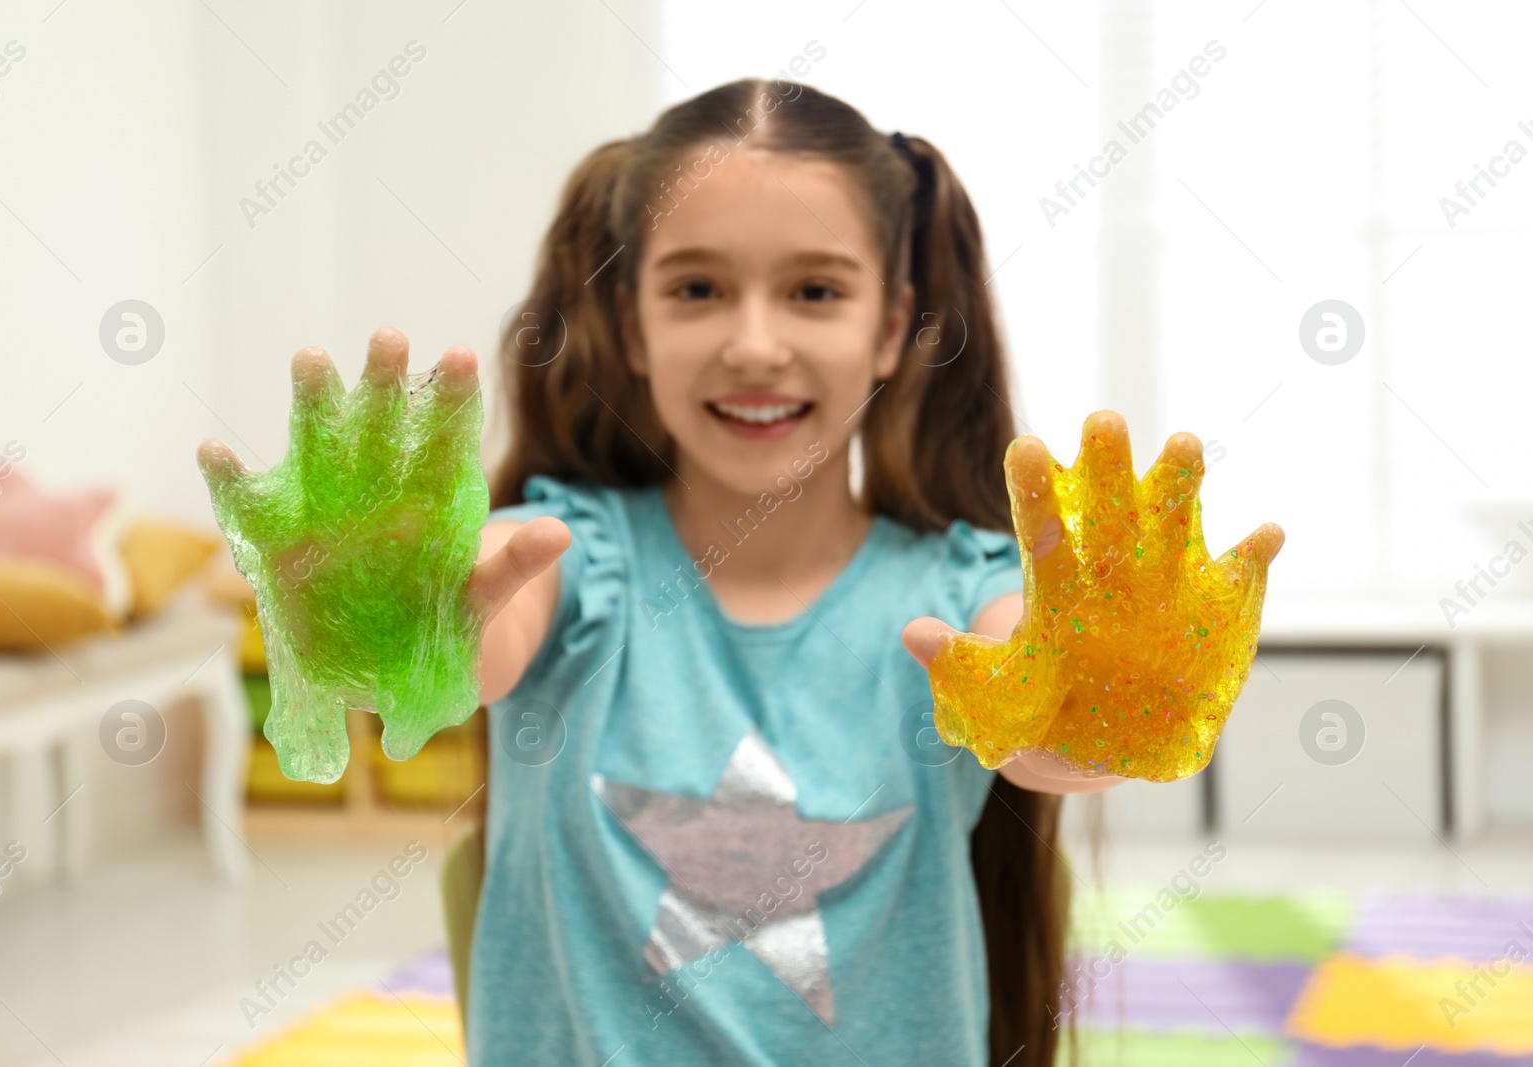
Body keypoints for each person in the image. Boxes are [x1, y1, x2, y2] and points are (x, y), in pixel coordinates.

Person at [205, 76, 1282, 1065]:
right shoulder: (568, 552)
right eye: (697, 290)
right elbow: (484, 623)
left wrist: (1083, 699)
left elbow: (1029, 701)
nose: (755, 343)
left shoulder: (962, 592)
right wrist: (403, 619)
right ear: (631, 324)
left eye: (814, 291)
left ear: (891, 327)